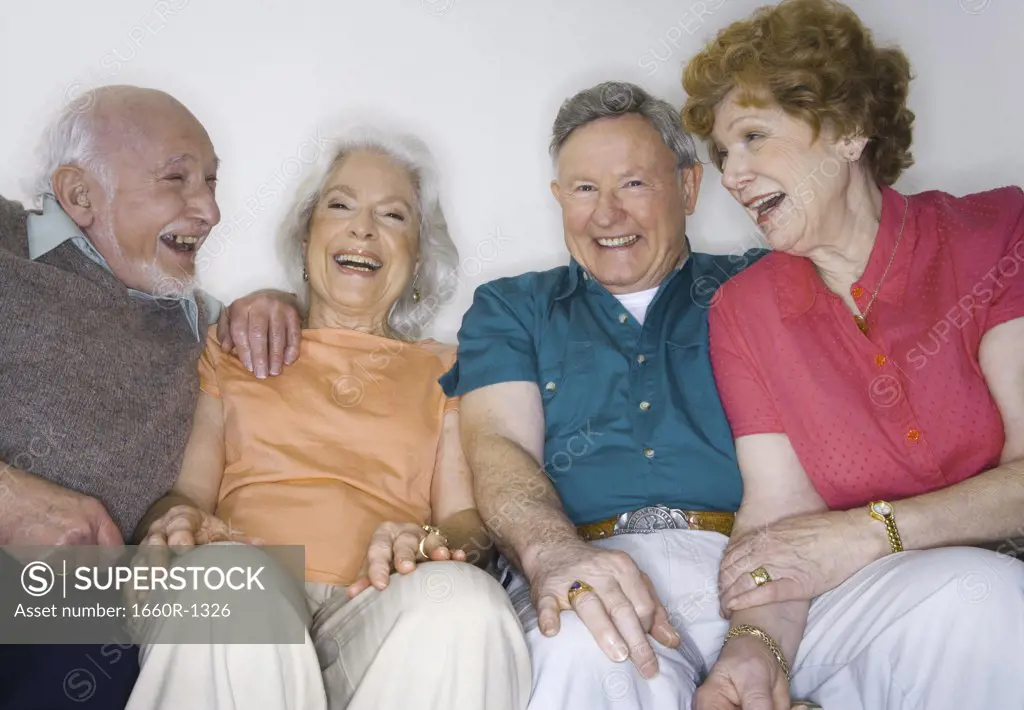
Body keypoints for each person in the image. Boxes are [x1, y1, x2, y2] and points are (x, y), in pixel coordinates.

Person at [678, 0, 1024, 708]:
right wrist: (757, 649)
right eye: (722, 154)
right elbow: (779, 518)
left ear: (848, 131)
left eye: (752, 137)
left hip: (991, 591)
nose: (733, 175)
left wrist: (869, 533)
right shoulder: (745, 311)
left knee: (980, 597)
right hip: (883, 602)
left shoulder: (994, 237)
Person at [127, 127, 532, 710]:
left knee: (467, 605)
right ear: (305, 237)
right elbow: (186, 494)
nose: (362, 229)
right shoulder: (238, 347)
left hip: (378, 604)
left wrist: (433, 543)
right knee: (233, 586)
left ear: (418, 257)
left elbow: (465, 522)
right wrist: (176, 524)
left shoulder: (446, 370)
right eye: (340, 206)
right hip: (250, 582)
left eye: (392, 216)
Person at [437, 80, 768, 709]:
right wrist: (553, 553)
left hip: (757, 562)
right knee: (588, 650)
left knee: (974, 597)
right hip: (588, 559)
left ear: (690, 187)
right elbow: (499, 444)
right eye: (585, 189)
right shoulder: (513, 307)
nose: (607, 215)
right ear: (559, 199)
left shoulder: (759, 285)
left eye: (634, 184)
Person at [0, 85, 302, 710]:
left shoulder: (201, 327)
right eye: (177, 178)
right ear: (80, 195)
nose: (211, 211)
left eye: (212, 183)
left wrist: (280, 305)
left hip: (81, 615)